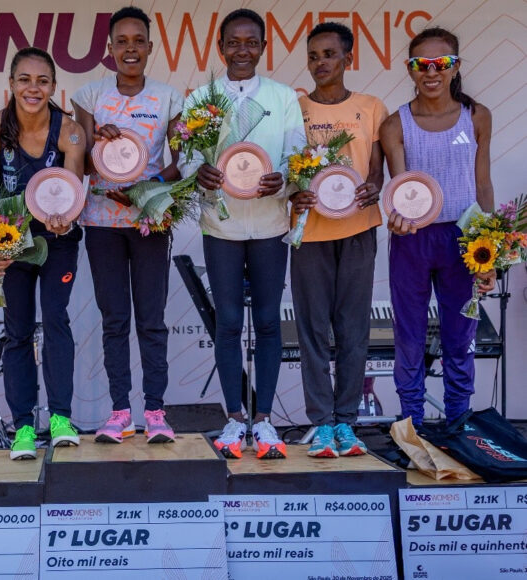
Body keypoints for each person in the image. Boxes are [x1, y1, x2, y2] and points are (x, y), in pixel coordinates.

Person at [180, 9, 305, 459]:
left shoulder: (283, 96)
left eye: (251, 42)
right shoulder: (201, 98)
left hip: (271, 224)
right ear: (220, 47)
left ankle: (265, 420)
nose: (242, 50)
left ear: (264, 47)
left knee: (269, 322)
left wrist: (284, 179)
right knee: (229, 323)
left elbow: (297, 155)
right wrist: (200, 173)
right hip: (222, 225)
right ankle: (234, 419)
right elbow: (187, 156)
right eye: (233, 42)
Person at [71, 6, 183, 444]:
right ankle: (120, 412)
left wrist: (148, 190)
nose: (130, 49)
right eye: (122, 41)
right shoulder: (89, 96)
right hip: (101, 221)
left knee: (151, 320)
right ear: (110, 48)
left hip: (150, 220)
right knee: (115, 320)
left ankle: (155, 411)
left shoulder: (168, 97)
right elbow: (79, 163)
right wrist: (96, 143)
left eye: (138, 41)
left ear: (150, 47)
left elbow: (182, 163)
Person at [379, 27, 495, 427]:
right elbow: (400, 191)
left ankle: (458, 420)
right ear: (409, 68)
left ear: (455, 67)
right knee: (409, 335)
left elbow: (483, 185)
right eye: (421, 64)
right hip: (412, 240)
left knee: (460, 335)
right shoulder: (395, 125)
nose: (431, 72)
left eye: (441, 63)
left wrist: (490, 250)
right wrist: (397, 218)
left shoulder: (476, 116)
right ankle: (411, 423)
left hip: (464, 239)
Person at [0, 47, 86, 460]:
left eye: (42, 81)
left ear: (54, 86)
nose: (33, 88)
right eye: (24, 79)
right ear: (11, 84)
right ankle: (23, 426)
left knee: (55, 319)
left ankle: (60, 420)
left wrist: (65, 223)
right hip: (13, 237)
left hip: (58, 239)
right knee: (17, 329)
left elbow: (73, 199)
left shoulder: (70, 132)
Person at [289, 22, 387, 458]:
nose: (320, 63)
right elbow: (285, 168)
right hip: (310, 231)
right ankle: (321, 422)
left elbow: (377, 169)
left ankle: (347, 420)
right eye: (313, 56)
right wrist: (294, 192)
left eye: (329, 54)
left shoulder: (371, 107)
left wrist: (374, 186)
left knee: (352, 328)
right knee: (311, 329)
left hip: (359, 229)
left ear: (348, 58)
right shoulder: (294, 108)